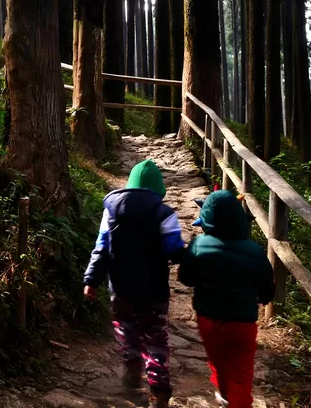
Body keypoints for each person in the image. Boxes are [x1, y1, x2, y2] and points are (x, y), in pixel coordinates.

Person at [83, 159, 186, 408]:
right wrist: (190, 257)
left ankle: (131, 368)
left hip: (120, 288)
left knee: (126, 330)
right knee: (156, 338)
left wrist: (91, 280)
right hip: (154, 291)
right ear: (158, 189)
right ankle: (159, 389)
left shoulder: (111, 210)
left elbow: (101, 248)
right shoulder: (165, 214)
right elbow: (174, 250)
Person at [178, 190, 275, 408]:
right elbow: (266, 285)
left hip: (209, 319)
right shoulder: (254, 250)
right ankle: (236, 400)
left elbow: (185, 278)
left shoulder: (198, 245)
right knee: (241, 372)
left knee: (218, 360)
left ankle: (224, 394)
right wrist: (265, 298)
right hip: (242, 323)